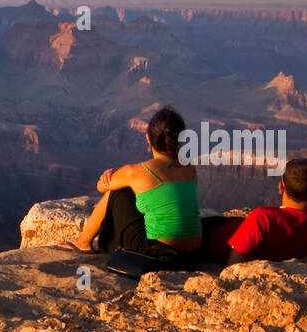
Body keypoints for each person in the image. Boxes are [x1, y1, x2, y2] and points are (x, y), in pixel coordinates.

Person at [58, 106, 203, 261]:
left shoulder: (136, 172)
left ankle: (83, 241)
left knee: (117, 192)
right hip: (192, 255)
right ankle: (84, 241)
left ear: (148, 138)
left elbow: (101, 186)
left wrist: (114, 173)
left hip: (160, 253)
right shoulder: (190, 168)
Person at [207, 157, 307, 263]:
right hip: (234, 225)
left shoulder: (263, 217)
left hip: (209, 237)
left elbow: (233, 265)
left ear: (280, 187)